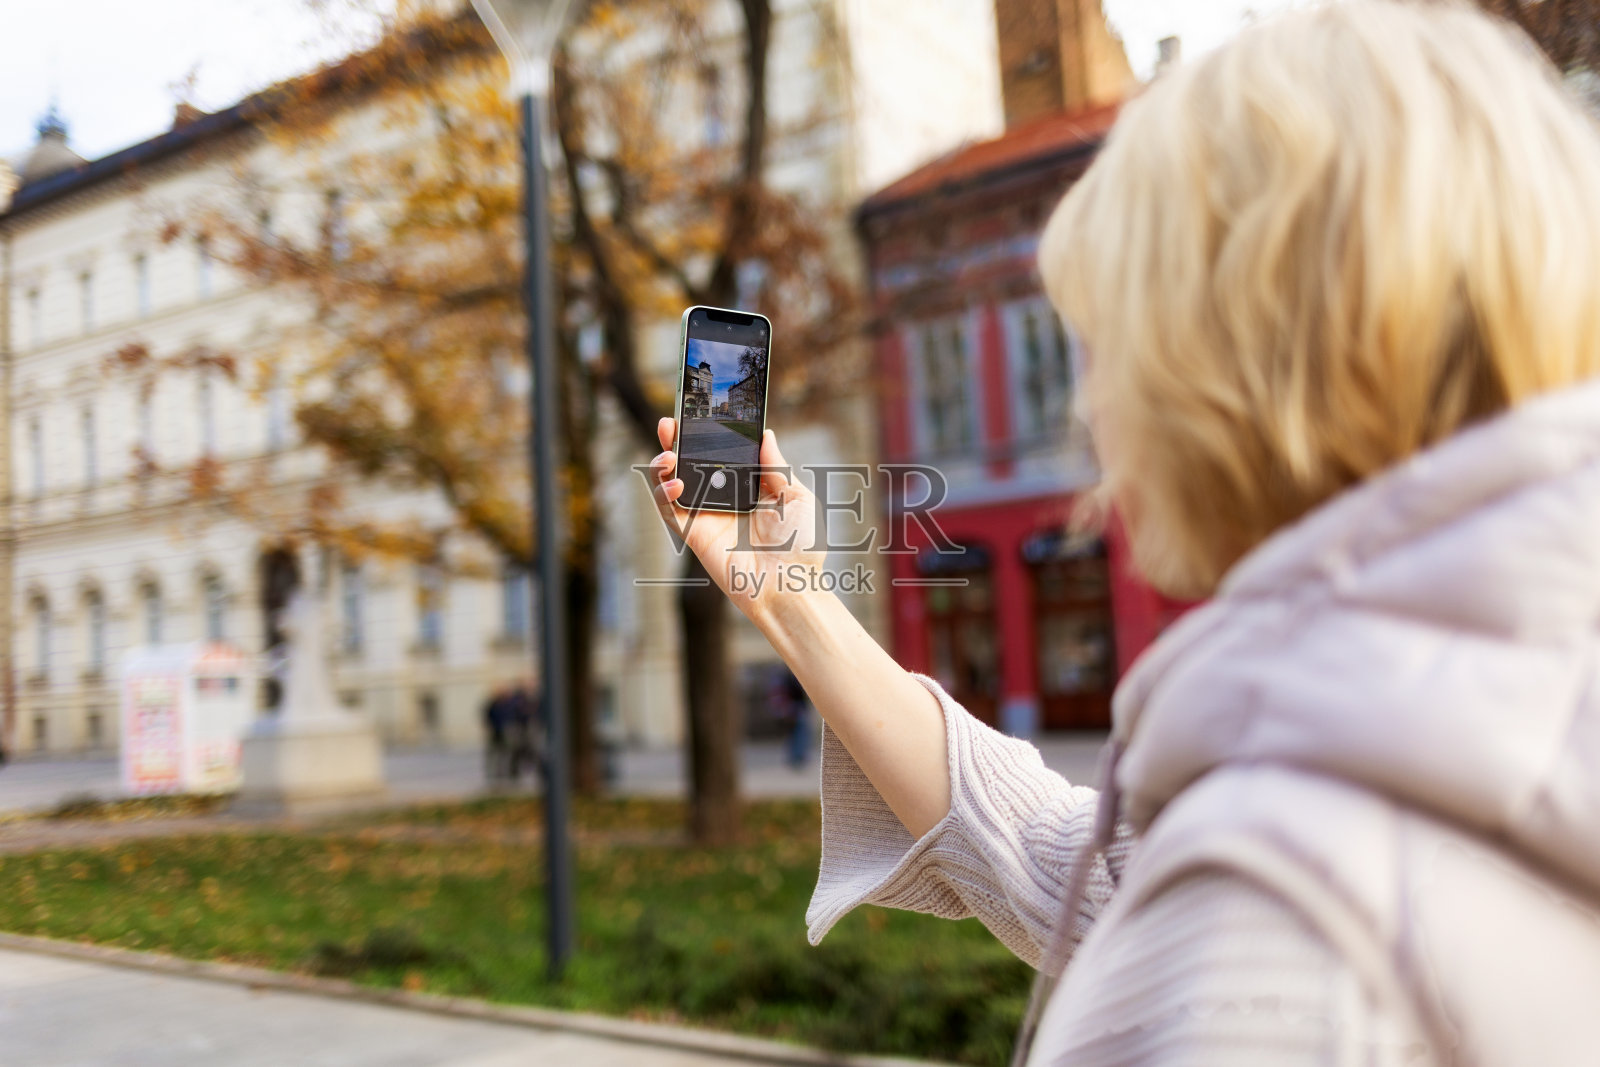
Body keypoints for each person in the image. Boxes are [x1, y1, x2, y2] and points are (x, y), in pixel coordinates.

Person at [648, 3, 1600, 1063]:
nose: (1089, 411)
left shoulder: (1275, 939)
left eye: (1109, 337)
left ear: (1246, 355)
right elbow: (1083, 871)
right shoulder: (1466, 696)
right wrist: (792, 600)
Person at [481, 684, 513, 785]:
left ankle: (504, 772)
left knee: (505, 753)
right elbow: (487, 717)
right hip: (495, 732)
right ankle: (492, 773)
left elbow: (510, 716)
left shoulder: (506, 704)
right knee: (493, 753)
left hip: (504, 732)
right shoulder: (493, 704)